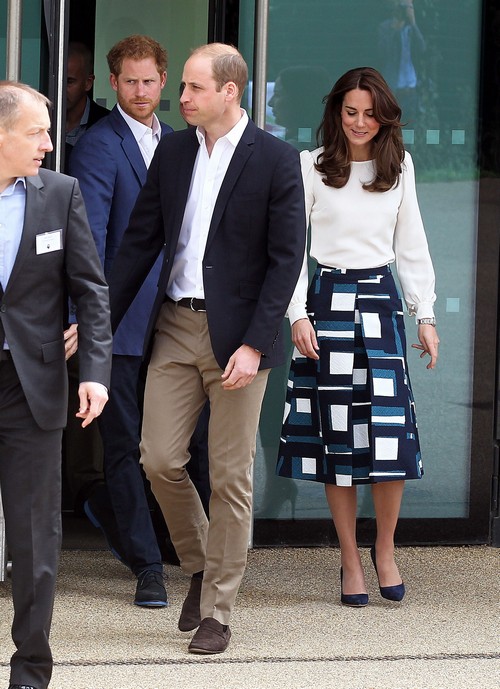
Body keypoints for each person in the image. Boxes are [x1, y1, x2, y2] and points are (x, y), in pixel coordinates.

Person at [108, 42, 305, 654]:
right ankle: (199, 562)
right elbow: (140, 242)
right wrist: (97, 321)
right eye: (183, 88)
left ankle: (218, 607)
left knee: (229, 476)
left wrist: (253, 344)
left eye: (192, 88)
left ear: (229, 91)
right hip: (175, 325)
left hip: (240, 339)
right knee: (158, 459)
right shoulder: (173, 150)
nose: (179, 98)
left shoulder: (274, 160)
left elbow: (285, 261)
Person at [277, 67, 439, 607]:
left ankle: (385, 548)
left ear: (384, 116)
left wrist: (425, 314)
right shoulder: (312, 167)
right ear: (336, 113)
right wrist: (297, 313)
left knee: (390, 437)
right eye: (351, 112)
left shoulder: (399, 167)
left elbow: (411, 241)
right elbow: (292, 248)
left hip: (381, 303)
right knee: (338, 439)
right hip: (327, 306)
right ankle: (350, 558)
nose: (360, 123)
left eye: (370, 113)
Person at [69, 34, 210, 608]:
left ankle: (189, 551)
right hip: (123, 322)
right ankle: (147, 565)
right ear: (113, 84)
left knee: (181, 445)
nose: (142, 91)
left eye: (151, 80)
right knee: (124, 444)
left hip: (176, 319)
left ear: (165, 82)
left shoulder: (181, 143)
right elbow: (94, 243)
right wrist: (92, 318)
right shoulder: (99, 146)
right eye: (130, 81)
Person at [0, 81, 111, 689]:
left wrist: (93, 372)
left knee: (36, 538)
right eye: (36, 132)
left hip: (33, 386)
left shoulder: (60, 194)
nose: (49, 142)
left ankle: (31, 672)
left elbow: (90, 291)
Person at [62, 40, 109, 516]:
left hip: (89, 277)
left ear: (92, 82)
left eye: (72, 80)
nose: (64, 88)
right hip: (43, 277)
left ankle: (86, 493)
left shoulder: (103, 134)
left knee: (89, 385)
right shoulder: (43, 128)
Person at [377, 1, 425, 127]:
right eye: (402, 6)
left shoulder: (412, 29)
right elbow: (382, 54)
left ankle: (407, 147)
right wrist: (394, 30)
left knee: (409, 127)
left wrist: (413, 24)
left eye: (409, 7)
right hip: (393, 87)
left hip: (411, 87)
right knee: (391, 126)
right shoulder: (386, 27)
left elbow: (422, 49)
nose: (405, 10)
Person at [64, 41, 109, 168]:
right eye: (56, 80)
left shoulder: (108, 124)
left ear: (88, 83)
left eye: (69, 81)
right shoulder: (37, 121)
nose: (60, 89)